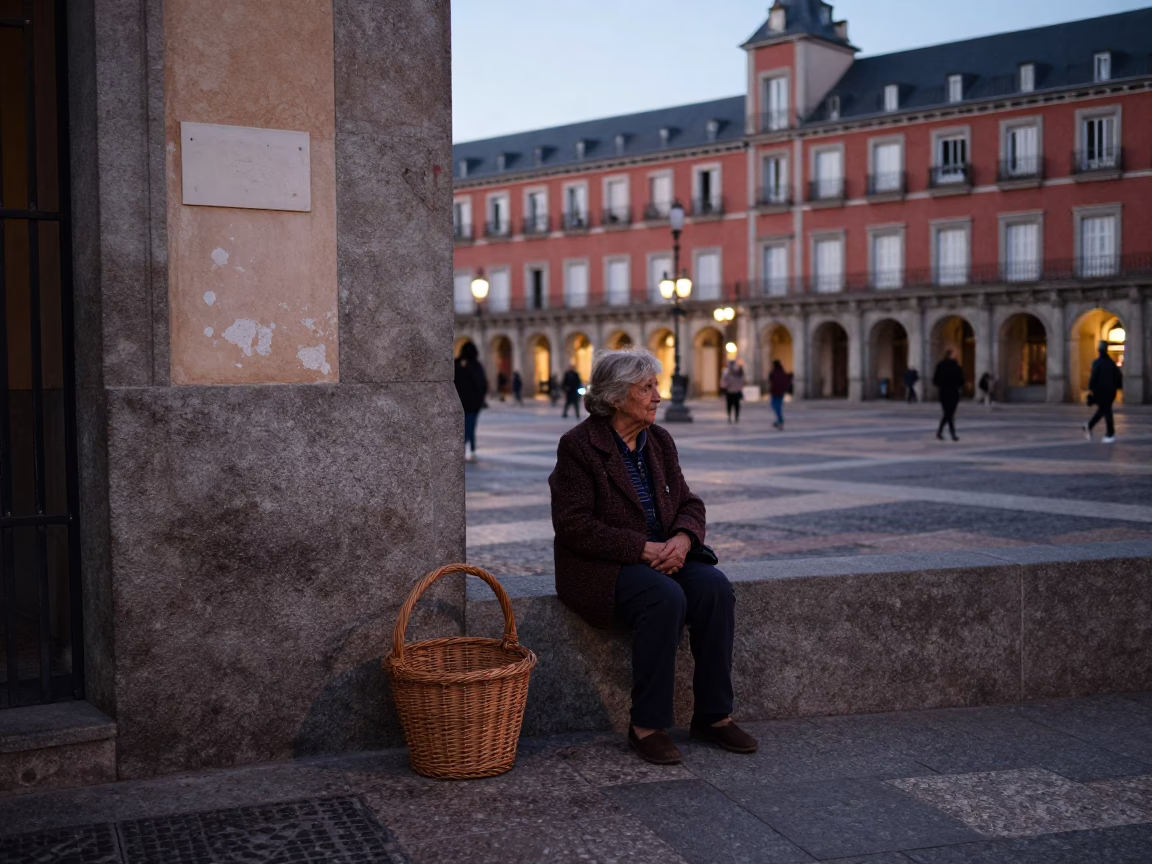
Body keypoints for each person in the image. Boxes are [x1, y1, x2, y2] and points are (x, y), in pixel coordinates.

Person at [549, 349, 758, 766]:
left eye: (655, 387)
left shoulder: (659, 441)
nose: (657, 396)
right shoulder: (579, 446)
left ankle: (714, 715)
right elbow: (573, 525)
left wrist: (682, 539)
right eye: (646, 388)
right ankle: (646, 724)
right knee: (665, 597)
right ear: (615, 396)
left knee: (715, 588)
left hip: (664, 554)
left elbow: (689, 503)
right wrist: (641, 548)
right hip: (604, 566)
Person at [454, 342, 488, 462]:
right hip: (473, 404)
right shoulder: (476, 365)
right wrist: (480, 400)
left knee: (465, 427)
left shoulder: (456, 364)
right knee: (470, 427)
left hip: (459, 402)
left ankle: (471, 449)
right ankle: (469, 449)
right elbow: (482, 384)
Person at [1084, 340, 1122, 443]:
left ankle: (1090, 426)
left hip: (1100, 392)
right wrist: (1117, 387)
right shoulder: (1111, 363)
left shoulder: (1097, 363)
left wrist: (1091, 389)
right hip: (1110, 392)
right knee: (1106, 410)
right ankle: (1110, 433)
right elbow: (1118, 376)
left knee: (1104, 410)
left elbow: (1094, 377)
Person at [933, 350, 964, 442]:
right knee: (949, 414)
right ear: (949, 355)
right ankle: (952, 434)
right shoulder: (957, 367)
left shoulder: (941, 365)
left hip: (944, 392)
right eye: (954, 354)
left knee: (948, 414)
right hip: (953, 392)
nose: (956, 355)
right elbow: (961, 381)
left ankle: (940, 432)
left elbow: (935, 380)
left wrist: (942, 384)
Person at [768, 360, 792, 430]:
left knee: (775, 406)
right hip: (779, 392)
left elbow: (772, 381)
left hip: (776, 392)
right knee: (777, 406)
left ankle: (780, 420)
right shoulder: (781, 372)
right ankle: (779, 420)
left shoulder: (775, 372)